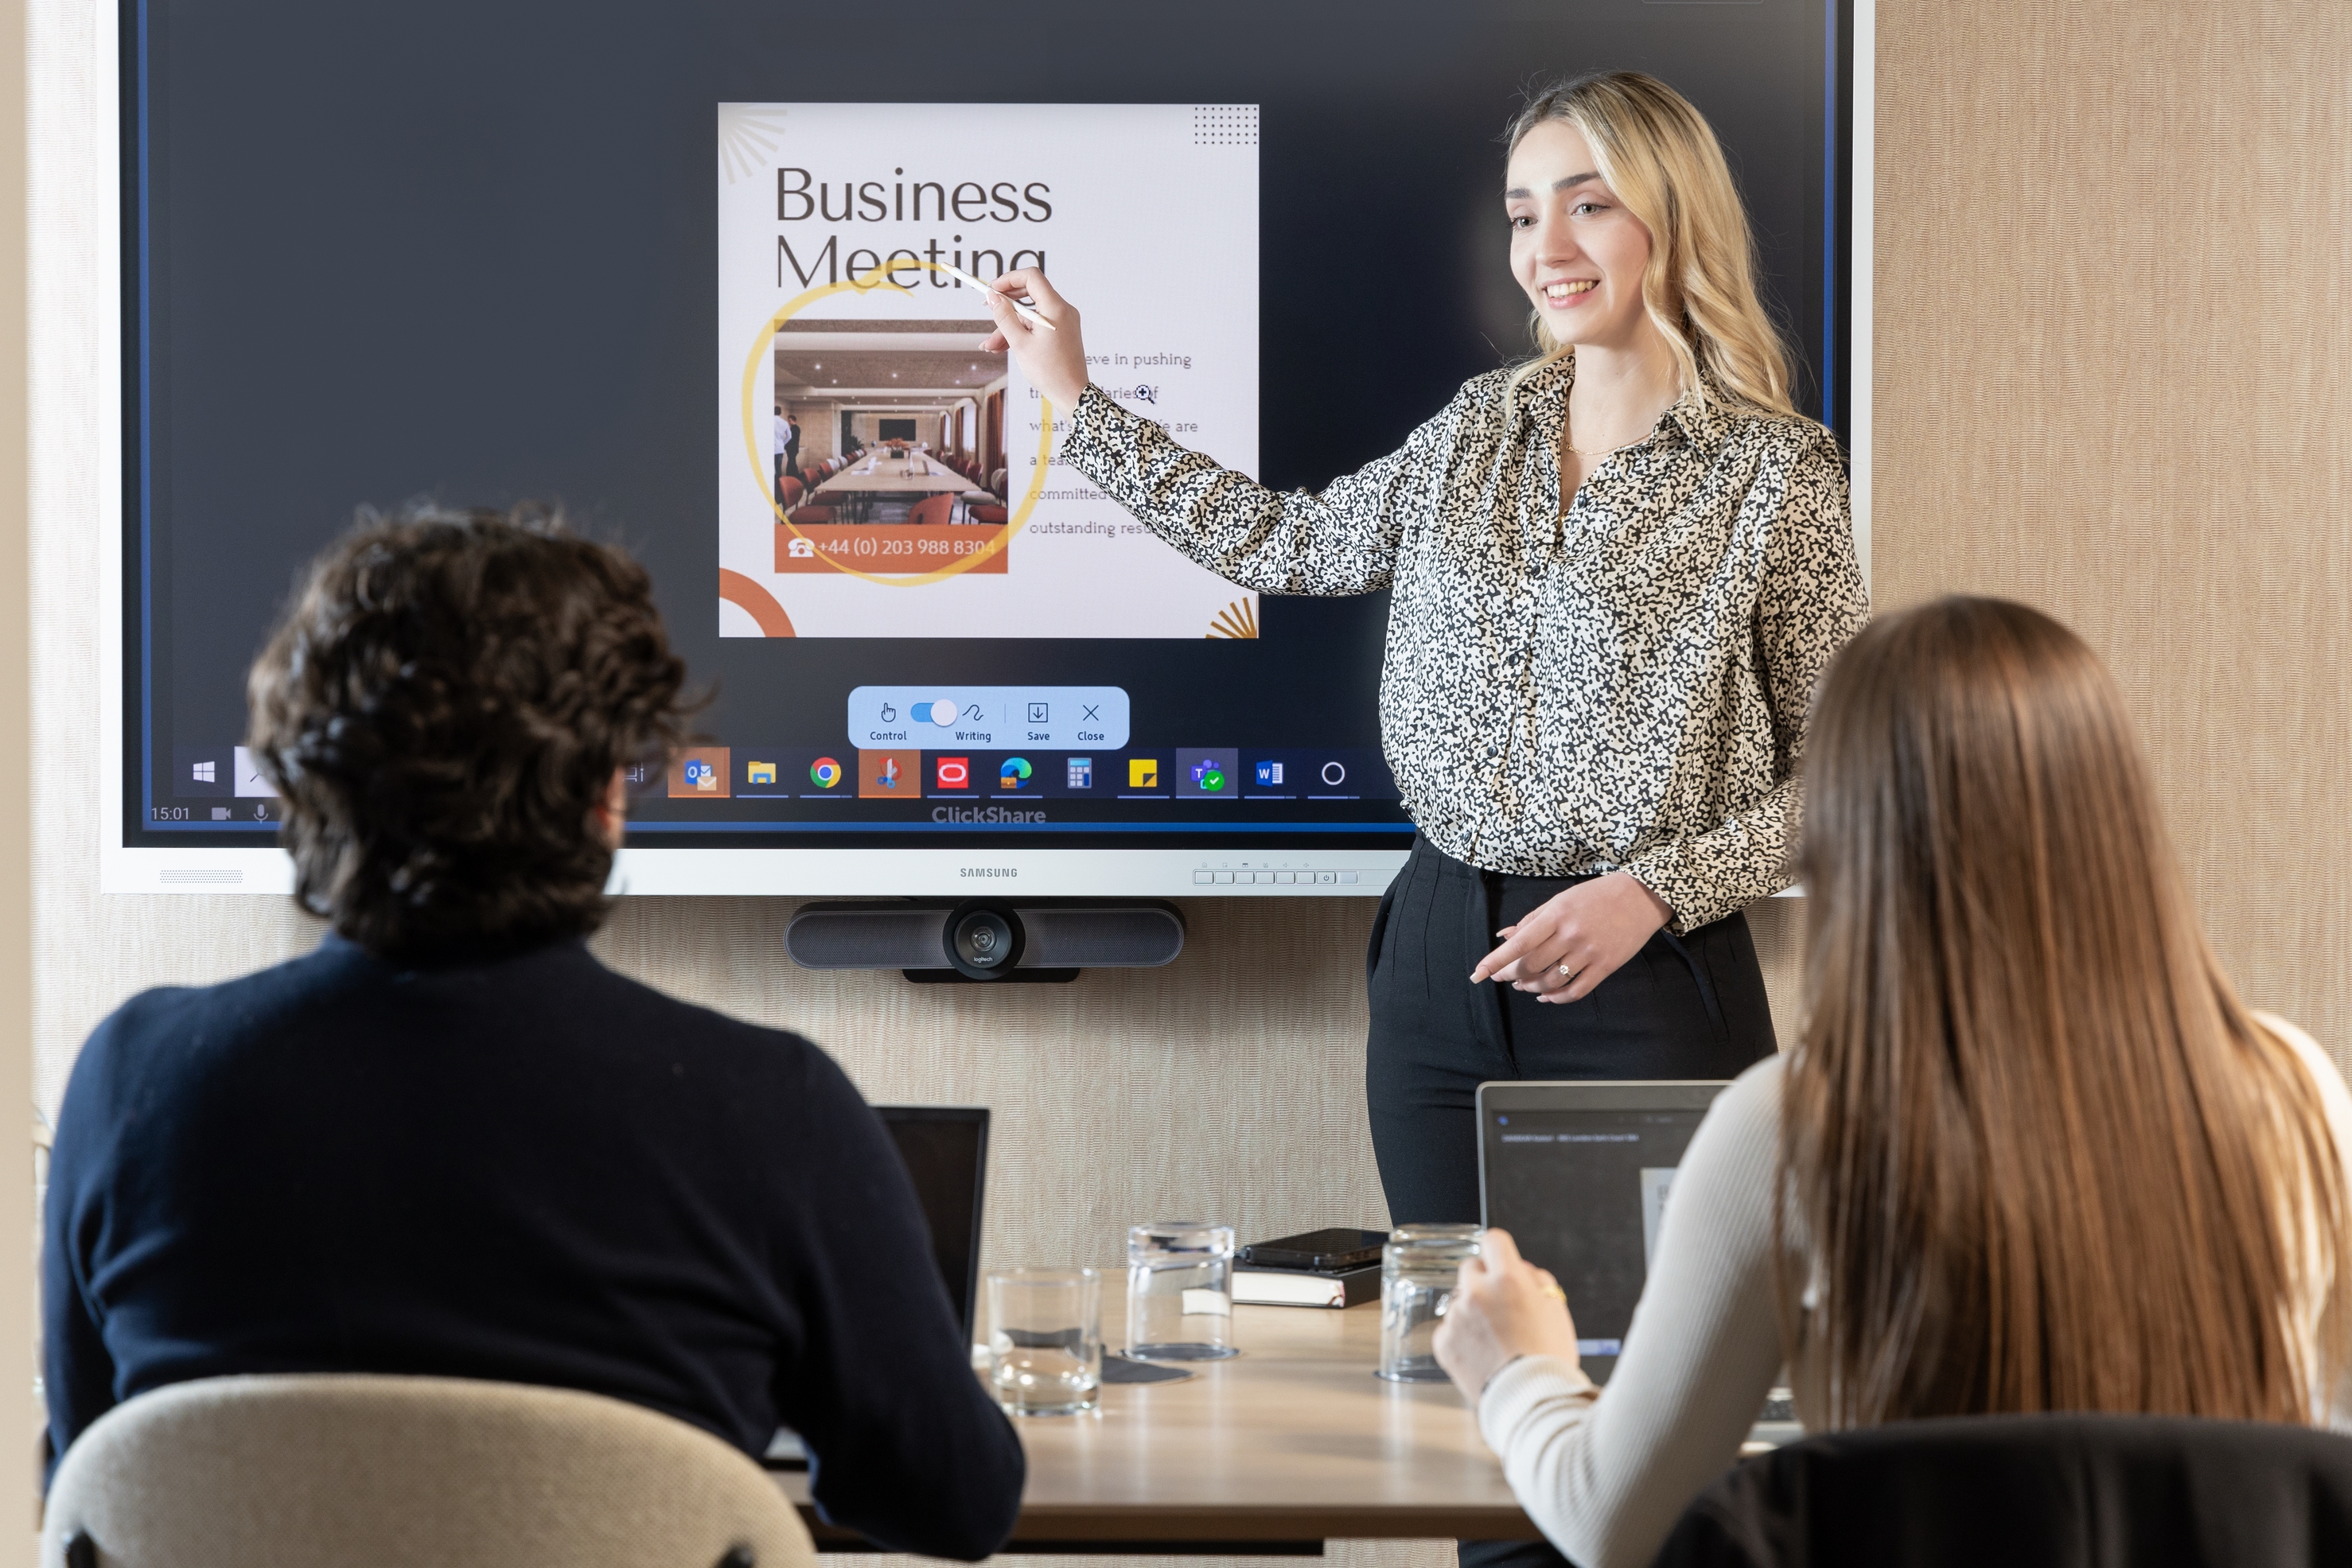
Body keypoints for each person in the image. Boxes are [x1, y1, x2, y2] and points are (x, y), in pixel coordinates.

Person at [975, 72, 1870, 1234]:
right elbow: (1284, 542)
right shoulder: (1476, 426)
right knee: (1456, 1336)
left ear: (1671, 215)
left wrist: (1655, 890)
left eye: (1588, 204)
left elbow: (1851, 776)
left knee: (1645, 1365)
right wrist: (1076, 398)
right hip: (1437, 955)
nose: (1546, 244)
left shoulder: (1772, 474)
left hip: (1649, 974)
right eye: (1522, 211)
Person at [42, 504, 1026, 1560]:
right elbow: (952, 1500)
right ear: (607, 796)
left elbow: (92, 1466)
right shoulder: (769, 1106)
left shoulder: (132, 1082)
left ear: (303, 786)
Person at [1432, 596, 2352, 1568]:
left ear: (1845, 843)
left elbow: (1615, 1527)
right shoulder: (2294, 1087)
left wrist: (1518, 1371)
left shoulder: (1791, 1122)